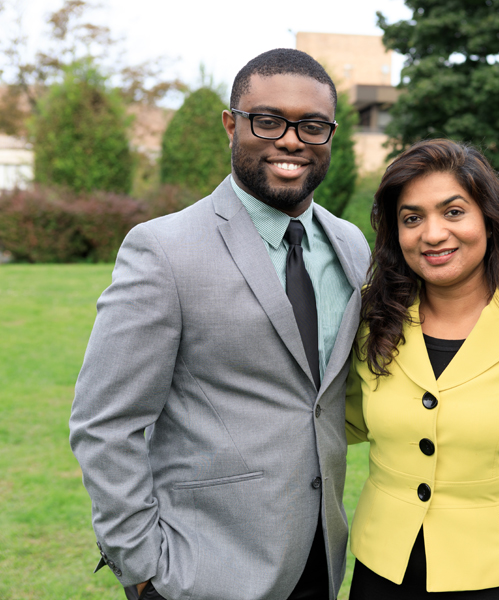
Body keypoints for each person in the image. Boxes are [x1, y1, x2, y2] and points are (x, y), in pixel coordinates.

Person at [69, 48, 370, 600]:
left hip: (320, 561)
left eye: (312, 126)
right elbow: (104, 423)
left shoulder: (351, 245)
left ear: (329, 135)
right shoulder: (163, 249)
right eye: (268, 120)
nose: (290, 139)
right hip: (199, 572)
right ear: (232, 125)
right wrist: (141, 569)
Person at [344, 139, 499, 599]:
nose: (432, 234)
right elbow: (341, 420)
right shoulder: (373, 316)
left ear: (488, 218)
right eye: (412, 218)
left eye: (453, 212)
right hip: (384, 569)